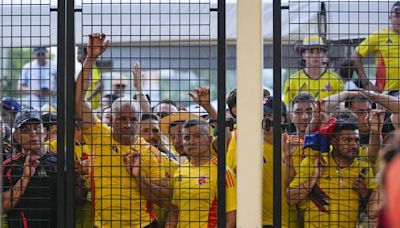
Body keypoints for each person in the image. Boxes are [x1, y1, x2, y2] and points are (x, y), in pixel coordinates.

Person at [76, 33, 167, 227]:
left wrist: (138, 176)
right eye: (122, 119)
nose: (127, 124)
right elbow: (78, 99)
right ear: (111, 119)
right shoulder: (98, 134)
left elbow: (163, 199)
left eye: (133, 119)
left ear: (139, 122)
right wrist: (91, 58)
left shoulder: (150, 151)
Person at [287, 118, 378, 227]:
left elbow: (372, 212)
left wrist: (364, 192)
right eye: (347, 140)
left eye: (356, 140)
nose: (354, 145)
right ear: (333, 141)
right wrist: (313, 179)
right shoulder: (315, 161)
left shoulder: (364, 167)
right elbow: (290, 199)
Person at [162, 119, 236, 228]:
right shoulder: (179, 171)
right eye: (187, 138)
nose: (191, 141)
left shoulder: (223, 172)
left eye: (197, 136)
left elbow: (231, 218)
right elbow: (174, 211)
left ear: (209, 139)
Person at [2, 109, 57, 227]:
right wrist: (25, 177)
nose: (33, 133)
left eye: (37, 128)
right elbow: (3, 205)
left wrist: (77, 178)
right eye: (25, 130)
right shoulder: (9, 165)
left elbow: (77, 201)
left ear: (45, 132)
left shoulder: (60, 161)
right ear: (17, 136)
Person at [261, 97, 297, 228]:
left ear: (284, 119)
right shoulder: (249, 145)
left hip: (288, 221)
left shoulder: (294, 144)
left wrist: (288, 157)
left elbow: (296, 185)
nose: (266, 119)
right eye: (263, 115)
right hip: (258, 221)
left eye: (270, 115)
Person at [353, 2, 400, 93]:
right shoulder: (379, 36)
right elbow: (355, 55)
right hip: (387, 94)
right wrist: (366, 84)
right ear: (390, 17)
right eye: (397, 14)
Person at [283, 35, 344, 105]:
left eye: (318, 52)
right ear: (303, 55)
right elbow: (287, 107)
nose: (315, 56)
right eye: (311, 52)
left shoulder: (335, 80)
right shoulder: (292, 81)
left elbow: (341, 107)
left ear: (323, 54)